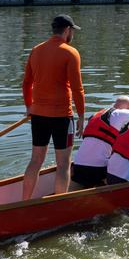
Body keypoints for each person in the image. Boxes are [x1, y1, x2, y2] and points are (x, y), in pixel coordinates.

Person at [21, 14, 86, 200]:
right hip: (62, 117)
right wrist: (81, 117)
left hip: (38, 115)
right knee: (64, 164)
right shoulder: (70, 52)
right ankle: (59, 204)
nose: (72, 33)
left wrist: (29, 106)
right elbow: (77, 88)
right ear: (67, 30)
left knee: (35, 160)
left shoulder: (36, 50)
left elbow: (26, 84)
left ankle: (24, 203)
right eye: (72, 30)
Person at [69, 90, 129, 190]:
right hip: (97, 170)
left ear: (115, 104)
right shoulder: (118, 114)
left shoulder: (96, 116)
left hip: (78, 167)